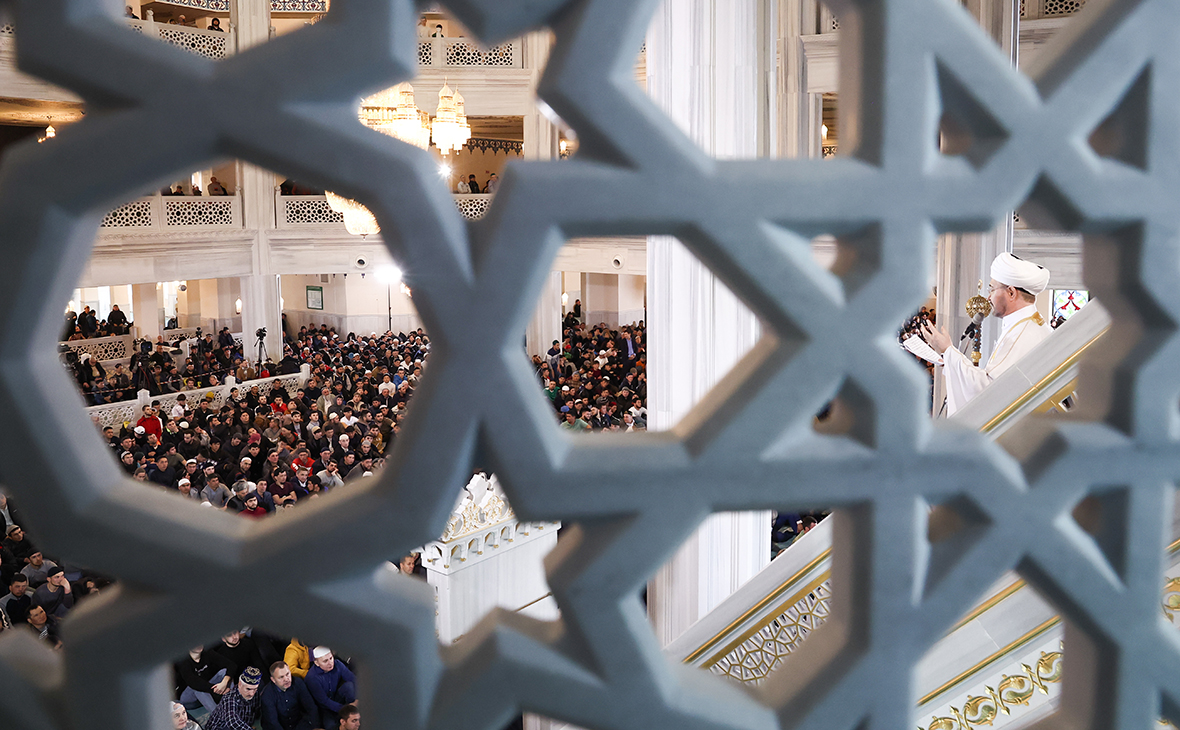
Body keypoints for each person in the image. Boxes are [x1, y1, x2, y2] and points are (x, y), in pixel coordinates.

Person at [922, 252, 1052, 416]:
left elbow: (987, 391)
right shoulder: (1028, 326)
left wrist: (948, 350)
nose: (988, 297)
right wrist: (949, 360)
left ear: (1011, 292)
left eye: (992, 289)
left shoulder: (1023, 334)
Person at [305, 646, 357, 729]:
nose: (330, 663)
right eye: (325, 661)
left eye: (330, 658)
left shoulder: (337, 664)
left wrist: (358, 701)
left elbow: (353, 679)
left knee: (349, 686)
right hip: (325, 708)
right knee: (331, 726)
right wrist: (346, 710)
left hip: (336, 697)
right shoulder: (312, 678)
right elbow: (324, 701)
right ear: (316, 663)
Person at [260, 661, 319, 730]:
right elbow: (273, 722)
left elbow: (311, 707)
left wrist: (316, 727)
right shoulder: (267, 695)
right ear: (273, 680)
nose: (286, 679)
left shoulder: (298, 683)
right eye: (281, 677)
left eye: (287, 674)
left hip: (297, 723)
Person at [176, 645, 233, 714]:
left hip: (207, 692)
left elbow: (231, 665)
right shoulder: (183, 660)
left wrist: (224, 683)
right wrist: (216, 689)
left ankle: (232, 703)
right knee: (198, 687)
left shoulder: (207, 652)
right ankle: (219, 716)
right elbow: (193, 682)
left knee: (224, 672)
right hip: (190, 700)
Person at [204, 665, 263, 730]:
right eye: (248, 689)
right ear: (240, 684)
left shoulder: (255, 693)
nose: (252, 693)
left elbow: (257, 710)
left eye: (255, 689)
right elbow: (233, 723)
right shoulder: (229, 698)